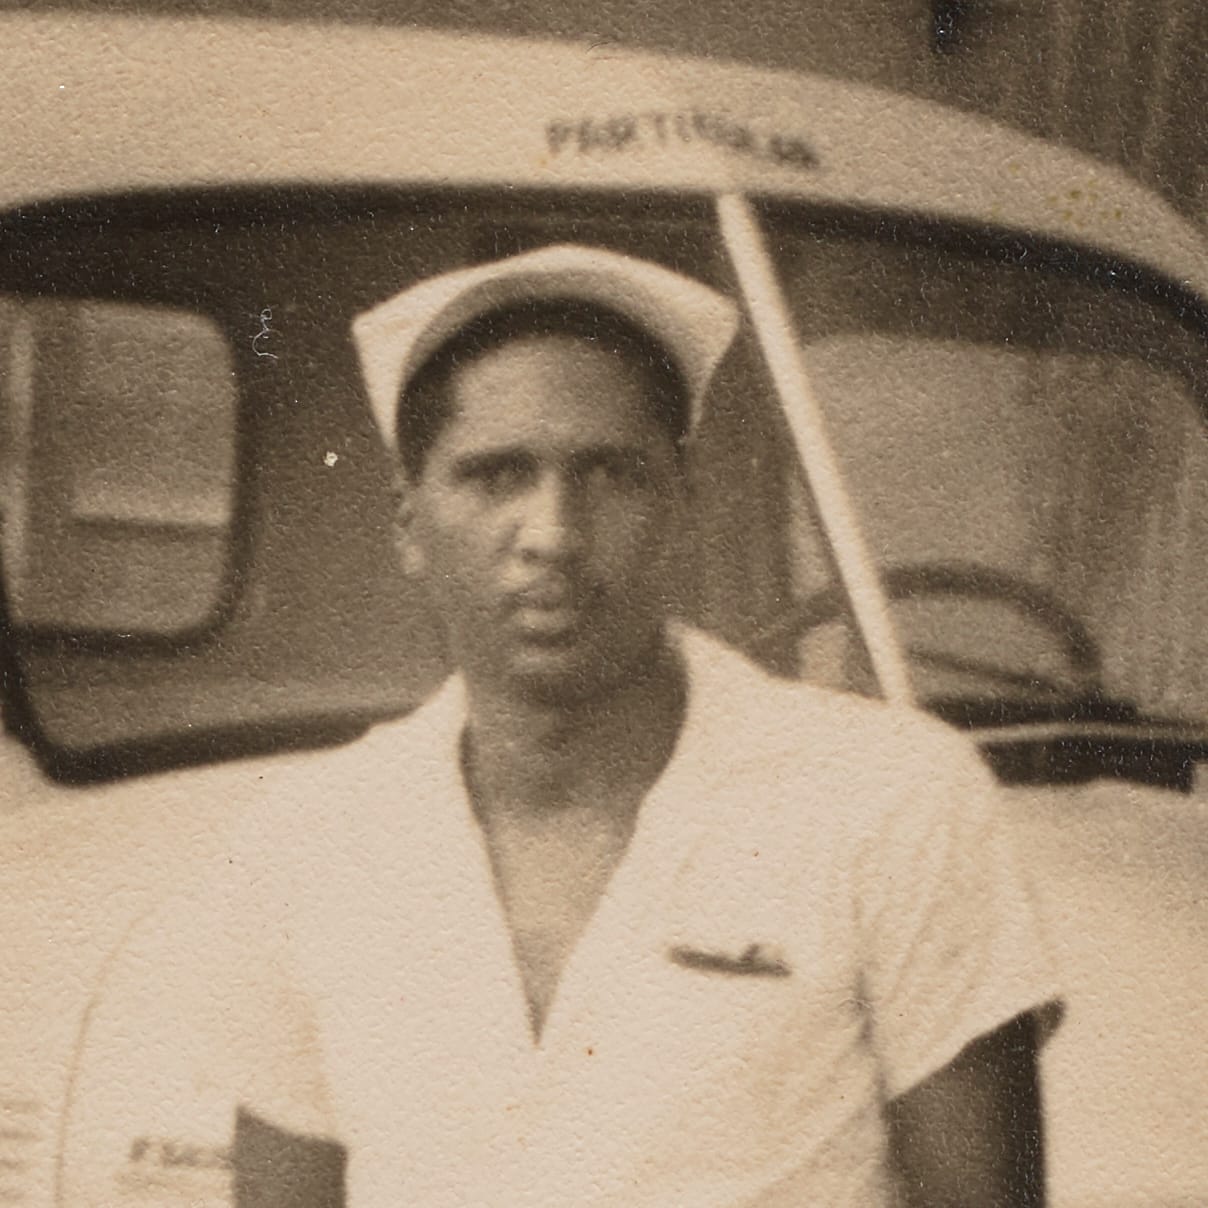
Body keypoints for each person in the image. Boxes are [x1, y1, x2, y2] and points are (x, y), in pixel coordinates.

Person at [68, 244, 1059, 1207]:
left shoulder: (889, 798)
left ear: (682, 507)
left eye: (610, 475)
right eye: (496, 475)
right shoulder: (307, 839)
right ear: (410, 527)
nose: (552, 534)